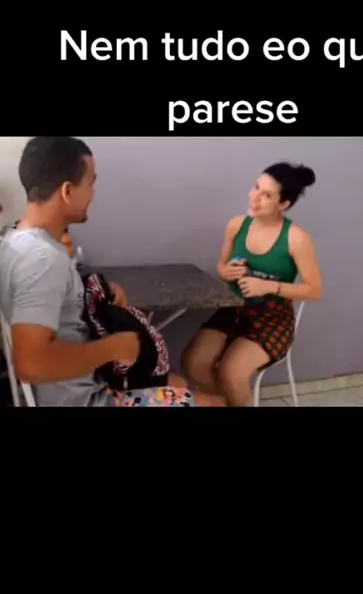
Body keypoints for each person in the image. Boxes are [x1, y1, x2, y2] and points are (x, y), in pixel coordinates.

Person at [0, 136, 222, 408]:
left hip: (75, 387)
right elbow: (32, 364)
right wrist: (113, 348)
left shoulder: (15, 241)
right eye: (91, 183)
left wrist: (94, 289)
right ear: (67, 191)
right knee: (212, 403)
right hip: (87, 401)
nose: (93, 193)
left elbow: (43, 300)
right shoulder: (42, 260)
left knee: (178, 382)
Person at [182, 162, 323, 406]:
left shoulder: (296, 238)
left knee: (232, 373)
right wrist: (228, 271)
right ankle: (226, 402)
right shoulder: (236, 225)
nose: (254, 197)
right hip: (233, 310)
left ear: (283, 204)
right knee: (193, 363)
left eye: (266, 195)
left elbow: (314, 290)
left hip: (272, 319)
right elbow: (222, 267)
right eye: (256, 187)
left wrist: (269, 287)